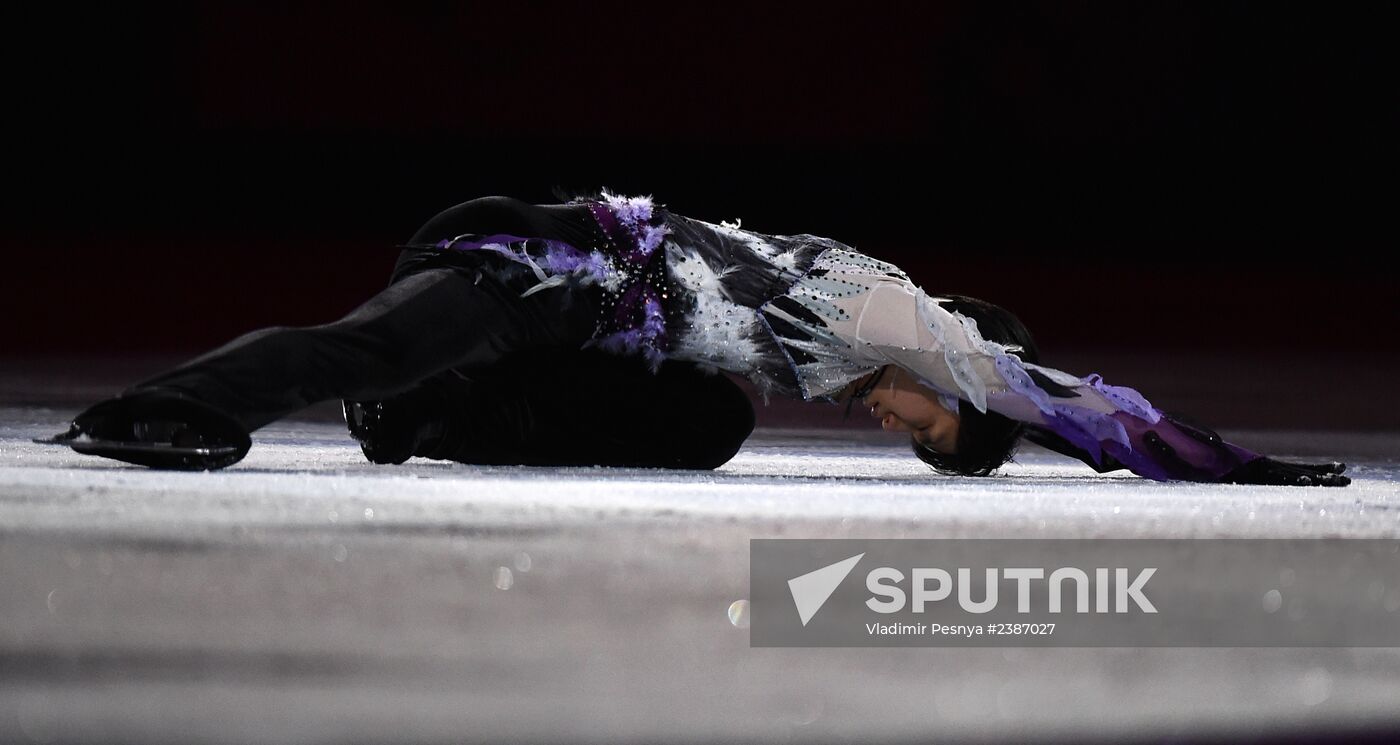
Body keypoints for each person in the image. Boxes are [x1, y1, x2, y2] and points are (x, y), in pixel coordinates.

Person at [38, 190, 1350, 486]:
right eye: (945, 427)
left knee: (706, 418)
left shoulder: (847, 337)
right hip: (538, 264)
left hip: (583, 329)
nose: (914, 432)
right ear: (955, 369)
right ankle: (167, 405)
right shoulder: (891, 316)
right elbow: (1083, 404)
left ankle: (421, 417)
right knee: (372, 346)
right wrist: (1233, 464)